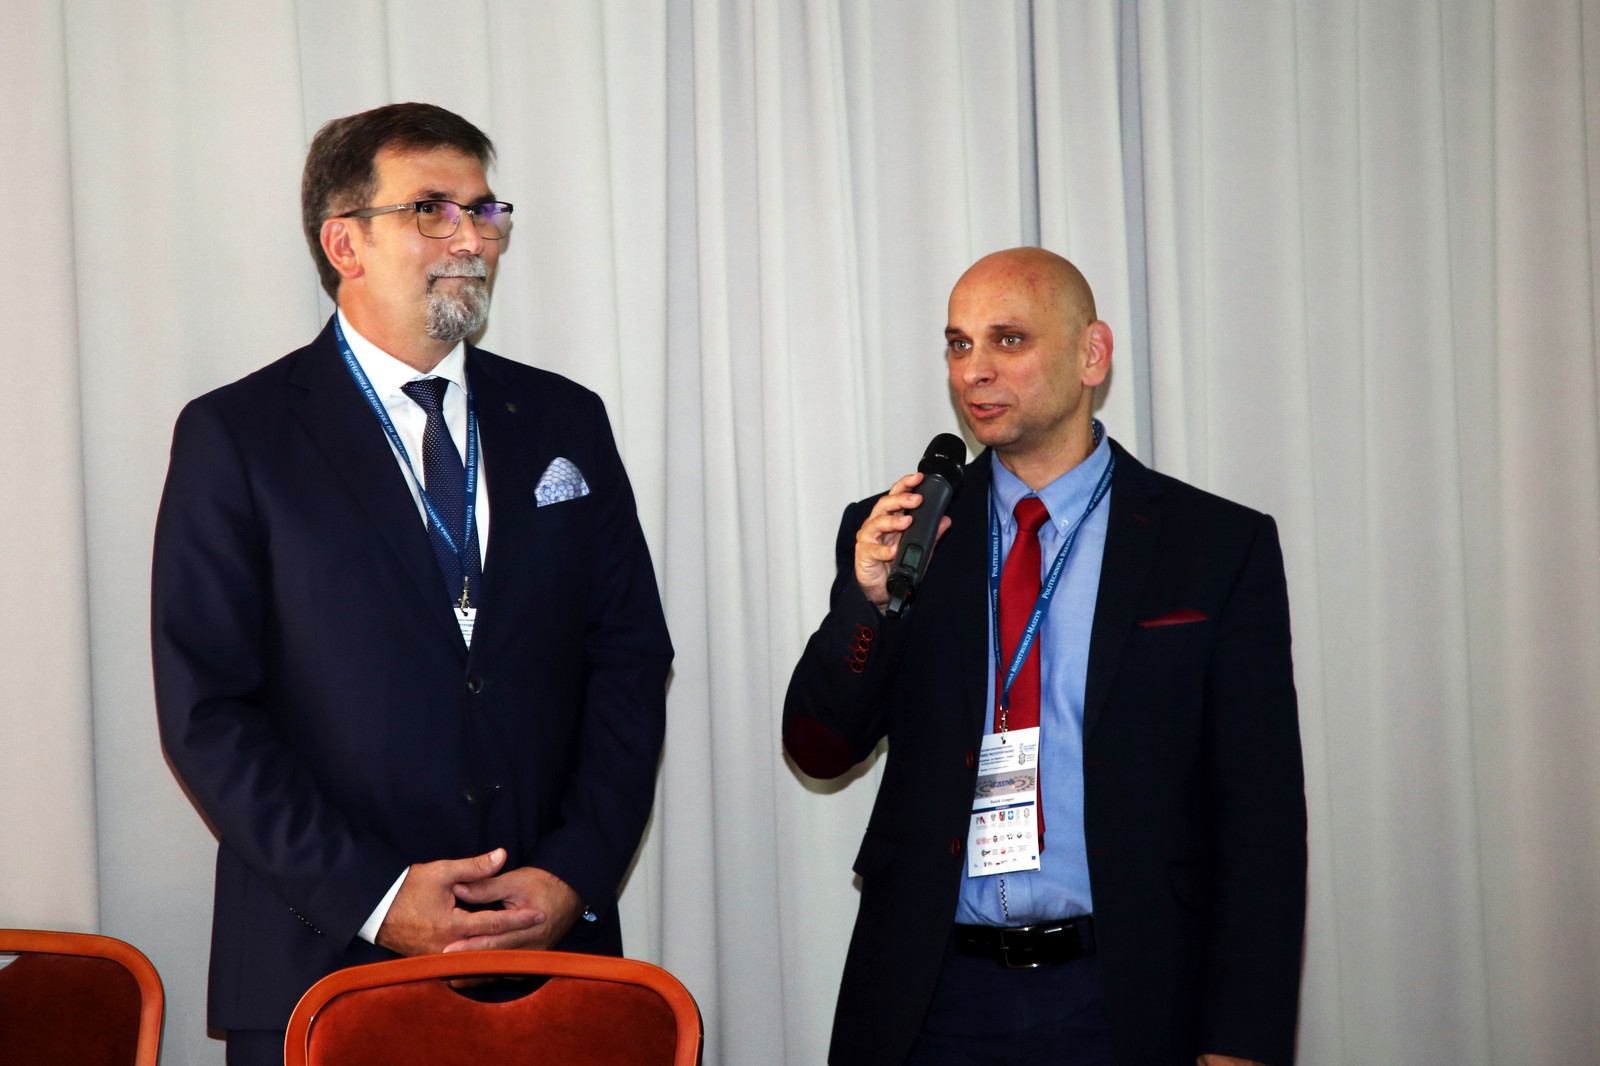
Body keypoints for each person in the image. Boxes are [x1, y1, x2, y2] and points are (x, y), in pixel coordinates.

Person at [152, 102, 672, 1065]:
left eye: (485, 211)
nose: (472, 240)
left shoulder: (564, 419)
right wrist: (377, 897)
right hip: (322, 961)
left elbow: (631, 661)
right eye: (433, 210)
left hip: (549, 958)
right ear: (344, 242)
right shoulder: (238, 435)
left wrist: (572, 871)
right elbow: (207, 711)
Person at [784, 248, 1305, 1066]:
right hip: (931, 993)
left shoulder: (1214, 547)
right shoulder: (902, 534)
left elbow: (1262, 817)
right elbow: (819, 748)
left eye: (1009, 340)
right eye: (959, 345)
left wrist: (1241, 1040)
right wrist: (868, 603)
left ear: (1092, 354)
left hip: (1126, 991)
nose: (975, 371)